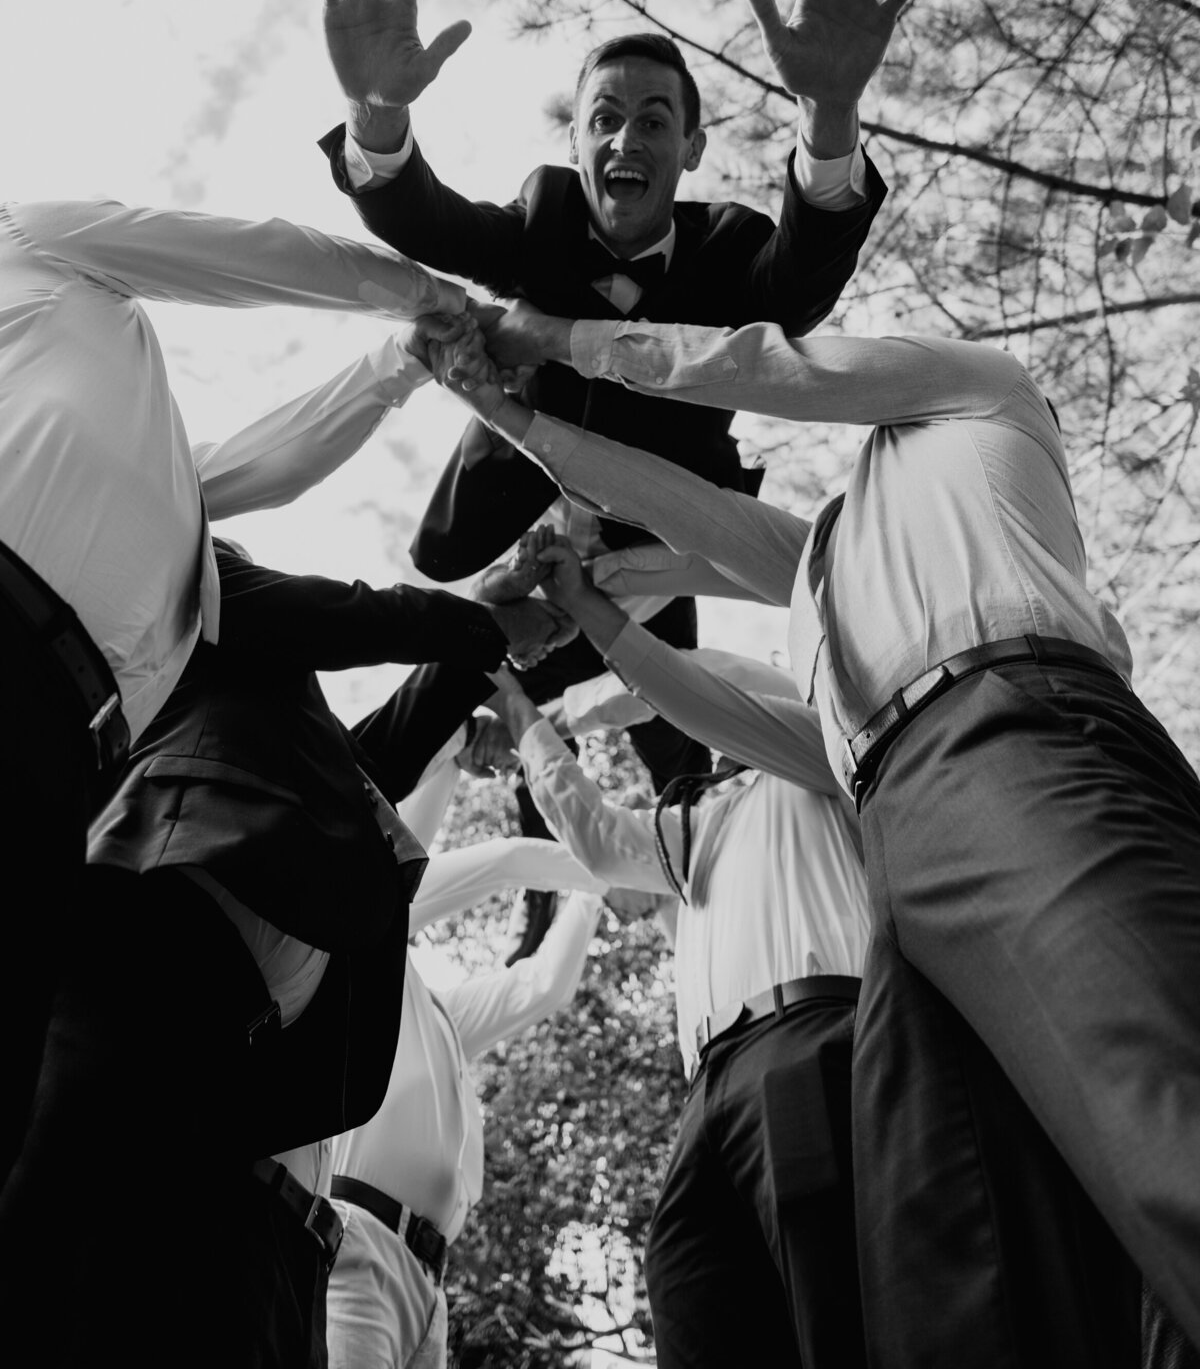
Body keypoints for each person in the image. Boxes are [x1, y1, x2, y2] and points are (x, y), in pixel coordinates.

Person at [449, 307, 1195, 1366]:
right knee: (953, 1274)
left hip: (1009, 727)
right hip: (903, 831)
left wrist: (554, 339)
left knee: (1155, 1113)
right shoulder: (831, 568)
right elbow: (700, 525)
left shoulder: (981, 390)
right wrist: (513, 436)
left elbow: (764, 368)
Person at [309, 0, 930, 801]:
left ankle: (701, 816)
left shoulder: (723, 248)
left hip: (659, 524)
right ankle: (390, 773)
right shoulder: (545, 220)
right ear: (576, 141)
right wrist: (374, 114)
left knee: (669, 714)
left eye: (651, 122)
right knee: (453, 601)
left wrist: (829, 114)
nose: (624, 140)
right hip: (520, 500)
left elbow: (795, 288)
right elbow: (428, 221)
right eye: (604, 120)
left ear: (690, 148)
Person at [0, 191, 464, 1180]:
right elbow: (249, 255)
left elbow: (271, 462)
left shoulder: (166, 487)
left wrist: (407, 361)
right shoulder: (24, 235)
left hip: (59, 751)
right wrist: (427, 294)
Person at [482, 633, 869, 1369]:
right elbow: (595, 838)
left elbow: (699, 677)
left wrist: (564, 712)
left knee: (831, 1306)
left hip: (811, 1039)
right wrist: (521, 720)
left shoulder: (825, 757)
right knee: (693, 1298)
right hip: (707, 1089)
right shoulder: (704, 826)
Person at [326, 743, 605, 1369]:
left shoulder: (443, 1015)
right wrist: (612, 861)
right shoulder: (368, 960)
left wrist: (592, 900)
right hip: (357, 1246)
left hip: (428, 1291)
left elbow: (545, 985)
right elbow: (503, 861)